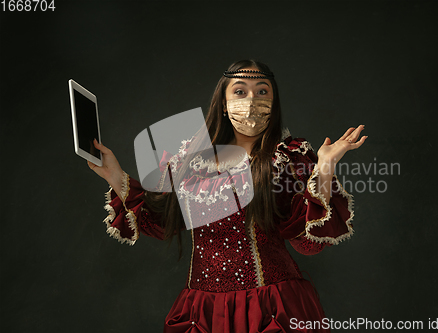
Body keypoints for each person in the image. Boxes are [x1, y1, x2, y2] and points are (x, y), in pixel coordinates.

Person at [88, 59, 367, 333]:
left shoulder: (286, 158)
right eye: (240, 91)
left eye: (262, 91)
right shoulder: (189, 160)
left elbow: (308, 245)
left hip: (271, 310)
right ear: (223, 102)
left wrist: (325, 166)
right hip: (203, 314)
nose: (251, 100)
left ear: (274, 101)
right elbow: (160, 222)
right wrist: (115, 175)